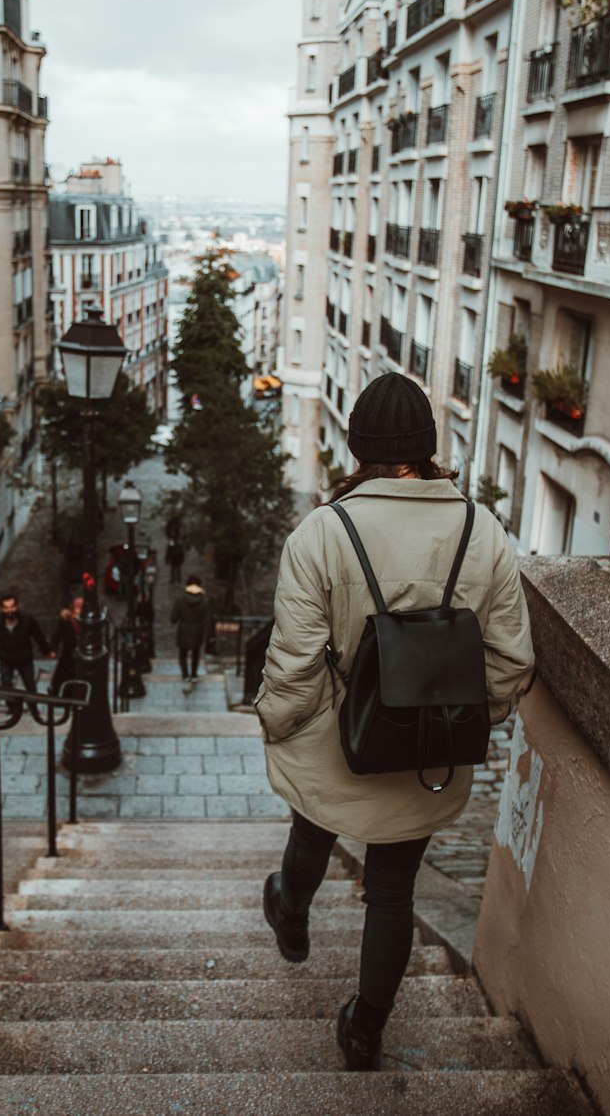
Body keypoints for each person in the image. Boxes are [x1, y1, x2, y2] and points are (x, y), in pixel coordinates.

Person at [253, 372, 534, 1072]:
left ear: (359, 450)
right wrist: (464, 719)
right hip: (426, 753)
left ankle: (290, 909)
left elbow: (291, 667)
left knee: (312, 823)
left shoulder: (321, 532)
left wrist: (279, 724)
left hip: (337, 737)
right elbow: (511, 660)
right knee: (393, 892)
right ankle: (365, 1030)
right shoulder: (483, 529)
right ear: (428, 449)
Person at [0, 593, 56, 692]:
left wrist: (47, 651)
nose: (10, 611)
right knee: (6, 685)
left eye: (12, 607)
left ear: (17, 606)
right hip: (6, 658)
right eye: (6, 608)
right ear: (1, 609)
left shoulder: (27, 620)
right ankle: (11, 706)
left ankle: (33, 706)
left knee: (30, 684)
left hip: (24, 658)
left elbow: (38, 636)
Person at [170, 572, 212, 685]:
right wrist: (209, 633)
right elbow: (208, 619)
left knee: (183, 653)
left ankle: (185, 675)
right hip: (198, 629)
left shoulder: (180, 600)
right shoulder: (204, 601)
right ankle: (193, 674)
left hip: (184, 628)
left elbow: (173, 618)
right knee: (195, 652)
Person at [48, 601, 81, 695]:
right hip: (68, 653)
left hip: (80, 654)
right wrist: (53, 649)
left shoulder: (85, 621)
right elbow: (57, 635)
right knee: (63, 675)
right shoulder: (67, 621)